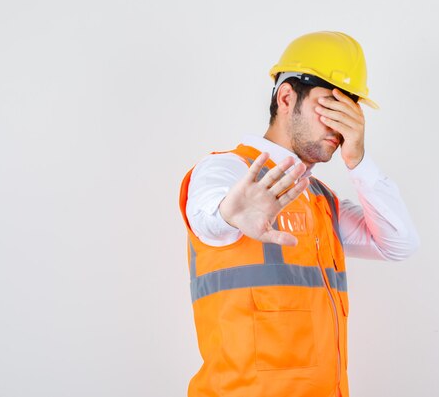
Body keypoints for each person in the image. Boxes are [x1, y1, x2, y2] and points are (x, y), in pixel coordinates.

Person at [178, 31, 420, 397]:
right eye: (330, 107)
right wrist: (230, 215)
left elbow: (398, 243)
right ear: (287, 97)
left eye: (350, 112)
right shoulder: (228, 171)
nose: (341, 126)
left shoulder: (321, 200)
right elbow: (207, 215)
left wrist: (359, 161)